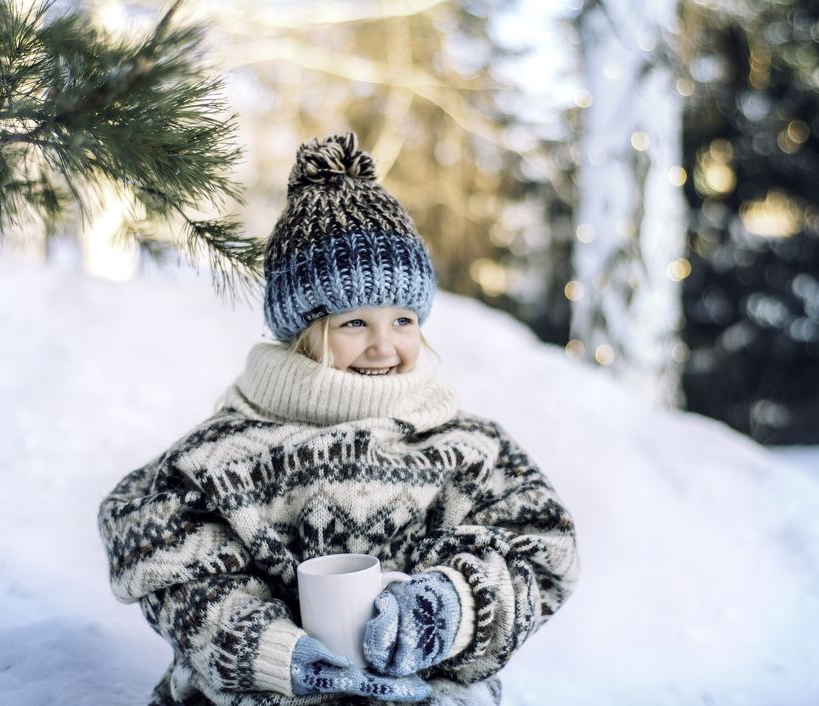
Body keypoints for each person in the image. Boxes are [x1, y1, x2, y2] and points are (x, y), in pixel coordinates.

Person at [97, 133, 579, 706]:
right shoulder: (224, 455)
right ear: (303, 330)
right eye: (354, 323)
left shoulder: (469, 447)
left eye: (403, 320)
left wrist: (452, 606)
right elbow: (165, 561)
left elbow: (538, 550)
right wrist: (270, 650)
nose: (384, 345)